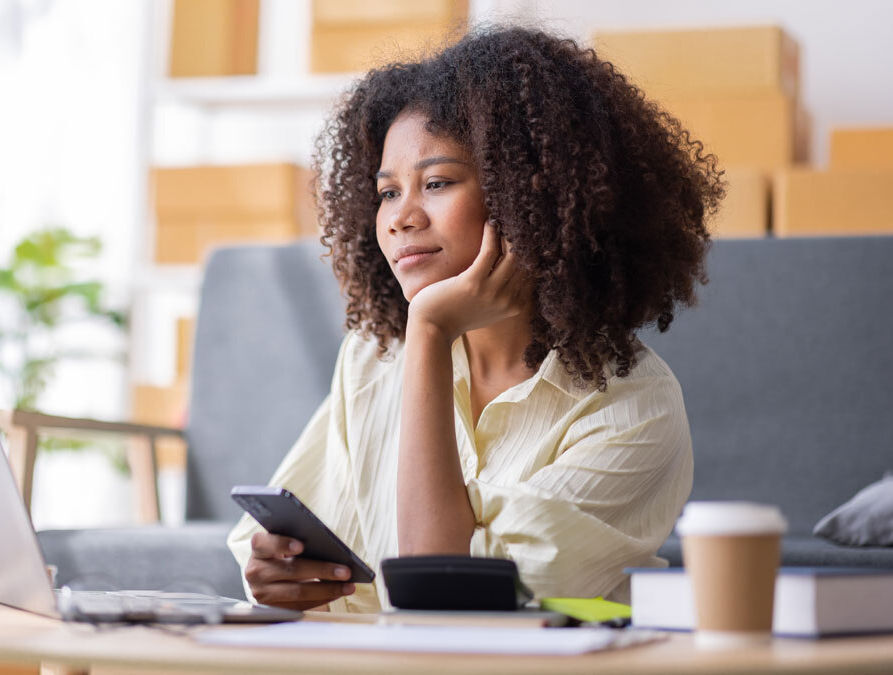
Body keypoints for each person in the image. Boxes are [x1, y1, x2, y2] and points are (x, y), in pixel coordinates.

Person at [227, 25, 724, 613]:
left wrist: (432, 332)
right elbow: (296, 546)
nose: (400, 218)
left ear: (529, 192)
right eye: (387, 193)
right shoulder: (373, 357)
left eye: (436, 183)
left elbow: (441, 597)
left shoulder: (632, 408)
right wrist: (277, 571)